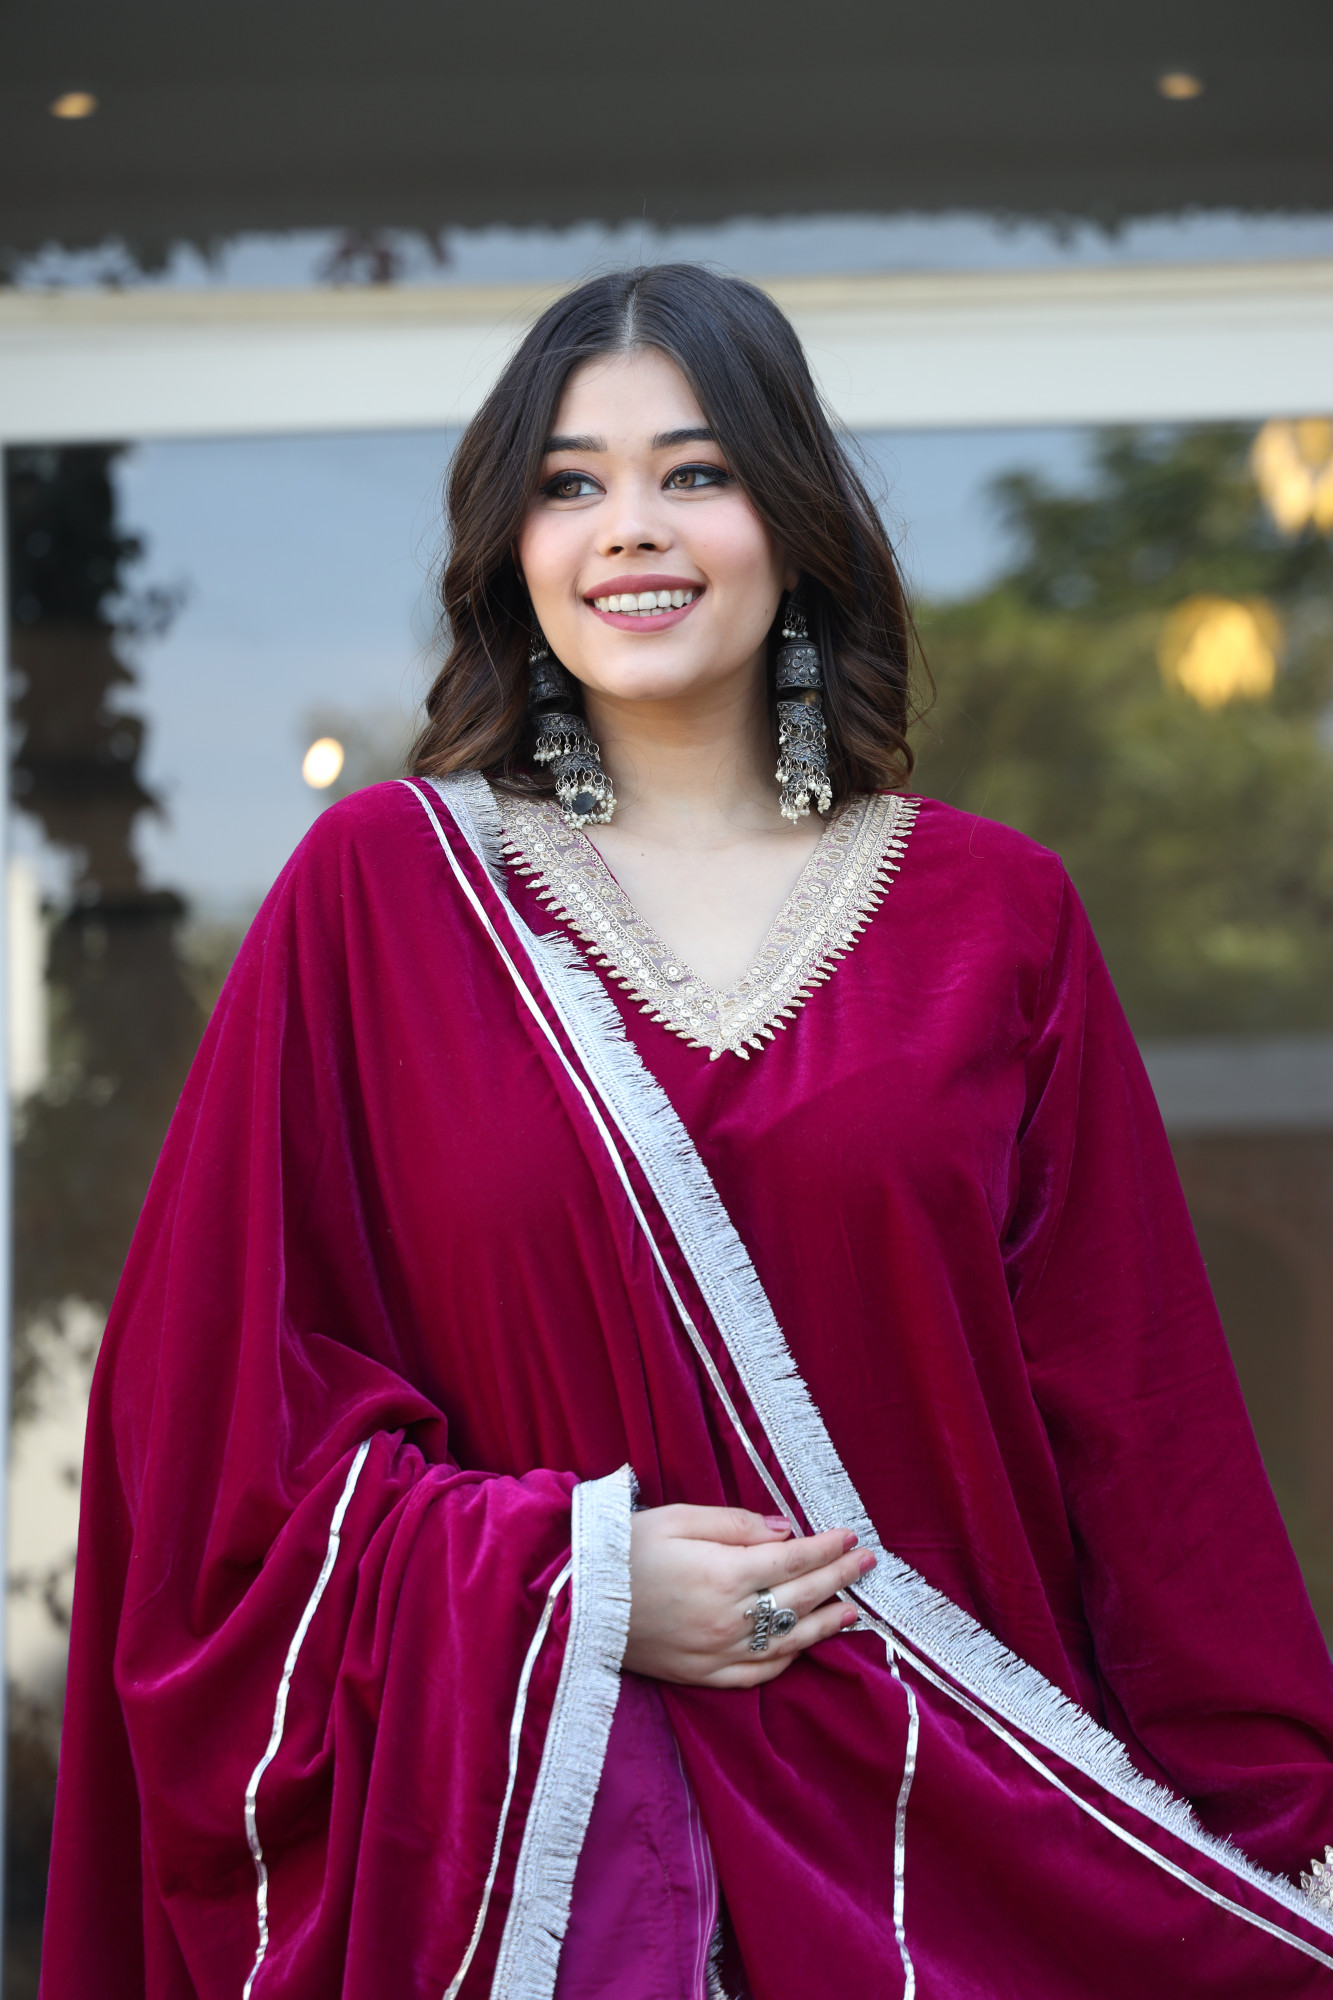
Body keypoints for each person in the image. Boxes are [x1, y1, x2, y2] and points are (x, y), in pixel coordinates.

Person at [41, 265, 1333, 1999]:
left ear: (793, 522)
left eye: (693, 472)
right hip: (556, 1884)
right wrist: (573, 1589)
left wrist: (1271, 1840)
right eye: (568, 483)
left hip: (950, 1857)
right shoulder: (382, 903)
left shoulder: (992, 917)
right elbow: (207, 1436)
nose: (626, 530)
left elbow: (1143, 1434)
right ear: (512, 548)